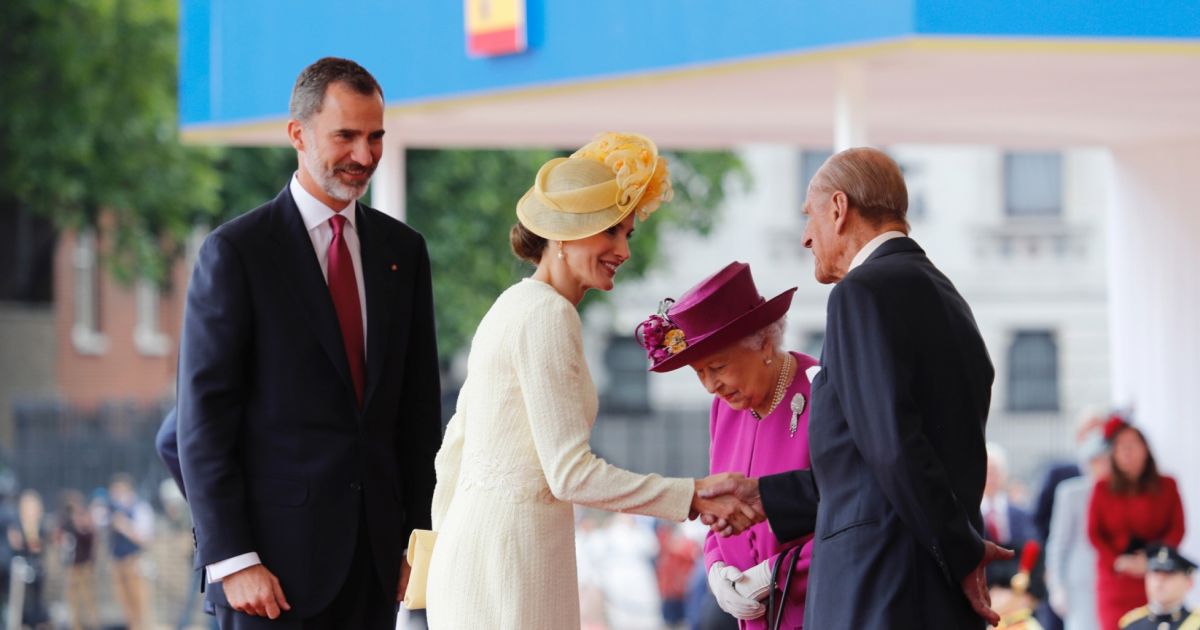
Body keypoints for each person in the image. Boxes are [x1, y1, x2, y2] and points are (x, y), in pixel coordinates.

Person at [425, 132, 757, 629]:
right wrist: (690, 493)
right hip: (511, 565)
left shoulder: (511, 305)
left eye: (627, 234)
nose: (623, 250)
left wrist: (444, 556)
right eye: (610, 233)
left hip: (481, 560)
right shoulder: (547, 315)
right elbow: (569, 474)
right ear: (563, 234)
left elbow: (452, 450)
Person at [176, 57, 442, 629]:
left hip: (374, 571)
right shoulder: (237, 253)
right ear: (298, 134)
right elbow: (201, 422)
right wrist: (233, 558)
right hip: (267, 580)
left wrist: (416, 544)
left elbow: (419, 416)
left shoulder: (404, 252)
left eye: (375, 137)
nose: (365, 156)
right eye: (345, 136)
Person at [699, 147, 1012, 628]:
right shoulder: (948, 296)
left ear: (839, 209)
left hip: (879, 591)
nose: (805, 237)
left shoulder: (860, 293)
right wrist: (767, 496)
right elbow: (873, 463)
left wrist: (963, 553)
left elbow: (893, 448)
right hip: (926, 589)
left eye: (810, 216)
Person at [639, 260, 815, 629]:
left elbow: (854, 509)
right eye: (699, 372)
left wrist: (775, 573)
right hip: (748, 618)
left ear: (764, 344)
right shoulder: (724, 409)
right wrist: (716, 566)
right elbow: (719, 507)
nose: (710, 386)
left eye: (717, 367)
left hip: (815, 610)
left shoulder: (821, 391)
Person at [1088, 417, 1186, 630]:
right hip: (1116, 580)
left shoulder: (1166, 486)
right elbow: (1094, 534)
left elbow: (1177, 528)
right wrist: (1117, 561)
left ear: (1145, 450)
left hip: (1155, 578)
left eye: (1132, 445)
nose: (1127, 452)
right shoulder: (1102, 488)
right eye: (1121, 447)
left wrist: (1152, 560)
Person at [1045, 424, 1110, 630]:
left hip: (1113, 582)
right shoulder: (1071, 492)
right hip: (1080, 583)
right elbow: (1058, 542)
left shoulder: (1121, 494)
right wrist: (1057, 586)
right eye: (1099, 460)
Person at [108, 474, 153, 630]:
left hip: (134, 561)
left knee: (139, 602)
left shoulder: (140, 508)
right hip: (117, 561)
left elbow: (144, 538)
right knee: (124, 603)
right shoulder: (112, 511)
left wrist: (124, 526)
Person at [1118, 545, 1199, 629]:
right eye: (1155, 572)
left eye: (1169, 574)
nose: (1160, 580)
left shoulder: (1196, 624)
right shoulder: (1132, 625)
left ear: (1189, 582)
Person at [7, 489, 50, 629]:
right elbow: (16, 545)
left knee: (37, 604)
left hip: (36, 570)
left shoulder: (39, 526)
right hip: (21, 571)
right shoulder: (16, 525)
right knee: (23, 605)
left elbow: (37, 547)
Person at [983, 443, 1039, 549]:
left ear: (1004, 474)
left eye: (994, 472)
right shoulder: (969, 516)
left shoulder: (1022, 513)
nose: (990, 478)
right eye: (986, 472)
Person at [57, 490, 99, 630]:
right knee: (72, 600)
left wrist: (80, 522)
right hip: (71, 565)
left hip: (84, 564)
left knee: (88, 598)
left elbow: (90, 537)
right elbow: (59, 539)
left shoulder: (84, 518)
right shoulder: (64, 521)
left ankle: (93, 625)